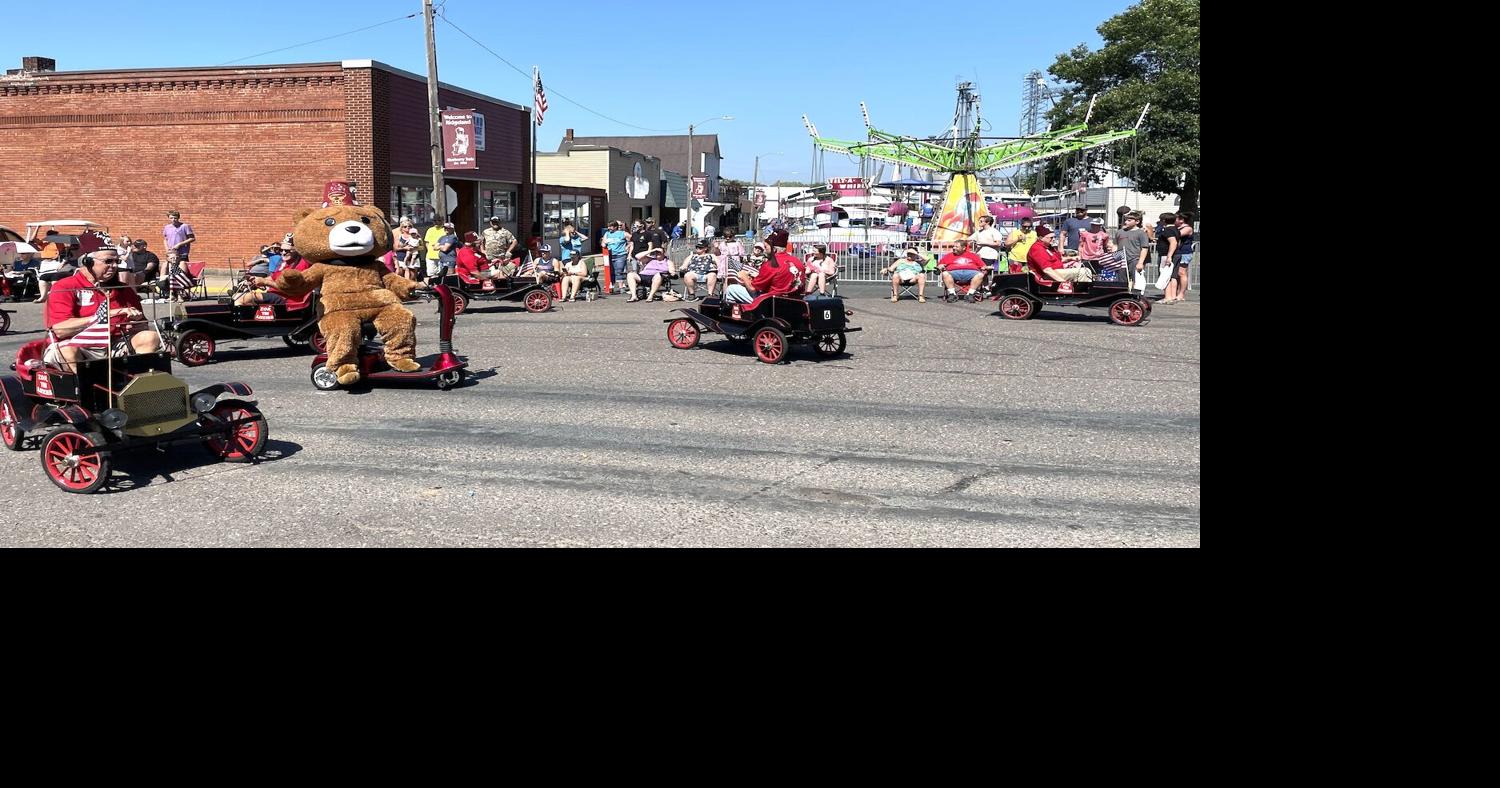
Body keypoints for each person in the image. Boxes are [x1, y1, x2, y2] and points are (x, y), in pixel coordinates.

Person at [43, 249, 163, 369]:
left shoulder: (123, 289)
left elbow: (143, 325)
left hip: (116, 342)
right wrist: (104, 316)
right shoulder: (65, 286)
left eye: (117, 261)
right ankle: (86, 381)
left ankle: (136, 376)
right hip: (76, 344)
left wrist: (137, 322)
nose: (114, 266)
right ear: (88, 262)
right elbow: (61, 330)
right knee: (68, 352)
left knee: (150, 337)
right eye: (108, 261)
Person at [724, 230, 799, 304]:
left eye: (766, 248)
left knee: (731, 289)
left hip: (770, 303)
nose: (765, 251)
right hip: (794, 303)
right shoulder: (798, 262)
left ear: (774, 249)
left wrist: (744, 276)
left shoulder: (770, 264)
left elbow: (752, 288)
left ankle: (735, 310)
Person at [1027, 225, 1093, 283]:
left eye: (1054, 237)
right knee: (1084, 272)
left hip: (1057, 271)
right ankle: (1082, 291)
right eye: (1051, 237)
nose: (1053, 239)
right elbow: (1047, 270)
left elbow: (1060, 259)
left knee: (1083, 267)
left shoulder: (1049, 247)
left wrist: (1071, 258)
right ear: (1041, 238)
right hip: (1047, 275)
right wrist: (1064, 282)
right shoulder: (1037, 249)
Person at [1109, 212, 1152, 290]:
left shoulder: (1141, 233)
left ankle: (1135, 296)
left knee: (1136, 281)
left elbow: (1144, 248)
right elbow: (1115, 245)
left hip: (1135, 259)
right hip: (1121, 260)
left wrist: (1140, 262)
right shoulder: (1120, 232)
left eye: (1129, 220)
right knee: (1121, 281)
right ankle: (1123, 295)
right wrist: (1114, 258)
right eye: (1125, 220)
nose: (1126, 222)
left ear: (1137, 221)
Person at [1165, 211, 1194, 303]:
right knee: (1176, 273)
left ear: (1181, 220)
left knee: (1182, 272)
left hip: (1185, 252)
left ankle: (1181, 294)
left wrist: (1168, 230)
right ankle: (1175, 292)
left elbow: (1177, 235)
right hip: (1178, 252)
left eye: (1176, 219)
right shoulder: (1176, 228)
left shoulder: (1187, 228)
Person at [1154, 212, 1182, 303]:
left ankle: (1167, 297)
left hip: (1167, 255)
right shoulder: (1176, 229)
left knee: (1165, 275)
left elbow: (1173, 242)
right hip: (1176, 254)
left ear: (1164, 220)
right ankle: (1172, 296)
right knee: (1173, 276)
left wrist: (1169, 256)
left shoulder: (1167, 230)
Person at [602, 220, 630, 294]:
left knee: (619, 271)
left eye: (610, 226)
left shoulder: (623, 233)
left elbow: (633, 240)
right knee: (611, 271)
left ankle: (621, 287)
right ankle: (611, 286)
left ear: (615, 227)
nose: (609, 228)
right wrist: (604, 244)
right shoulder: (607, 234)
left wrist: (627, 246)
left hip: (621, 254)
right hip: (610, 255)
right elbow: (603, 243)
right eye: (608, 226)